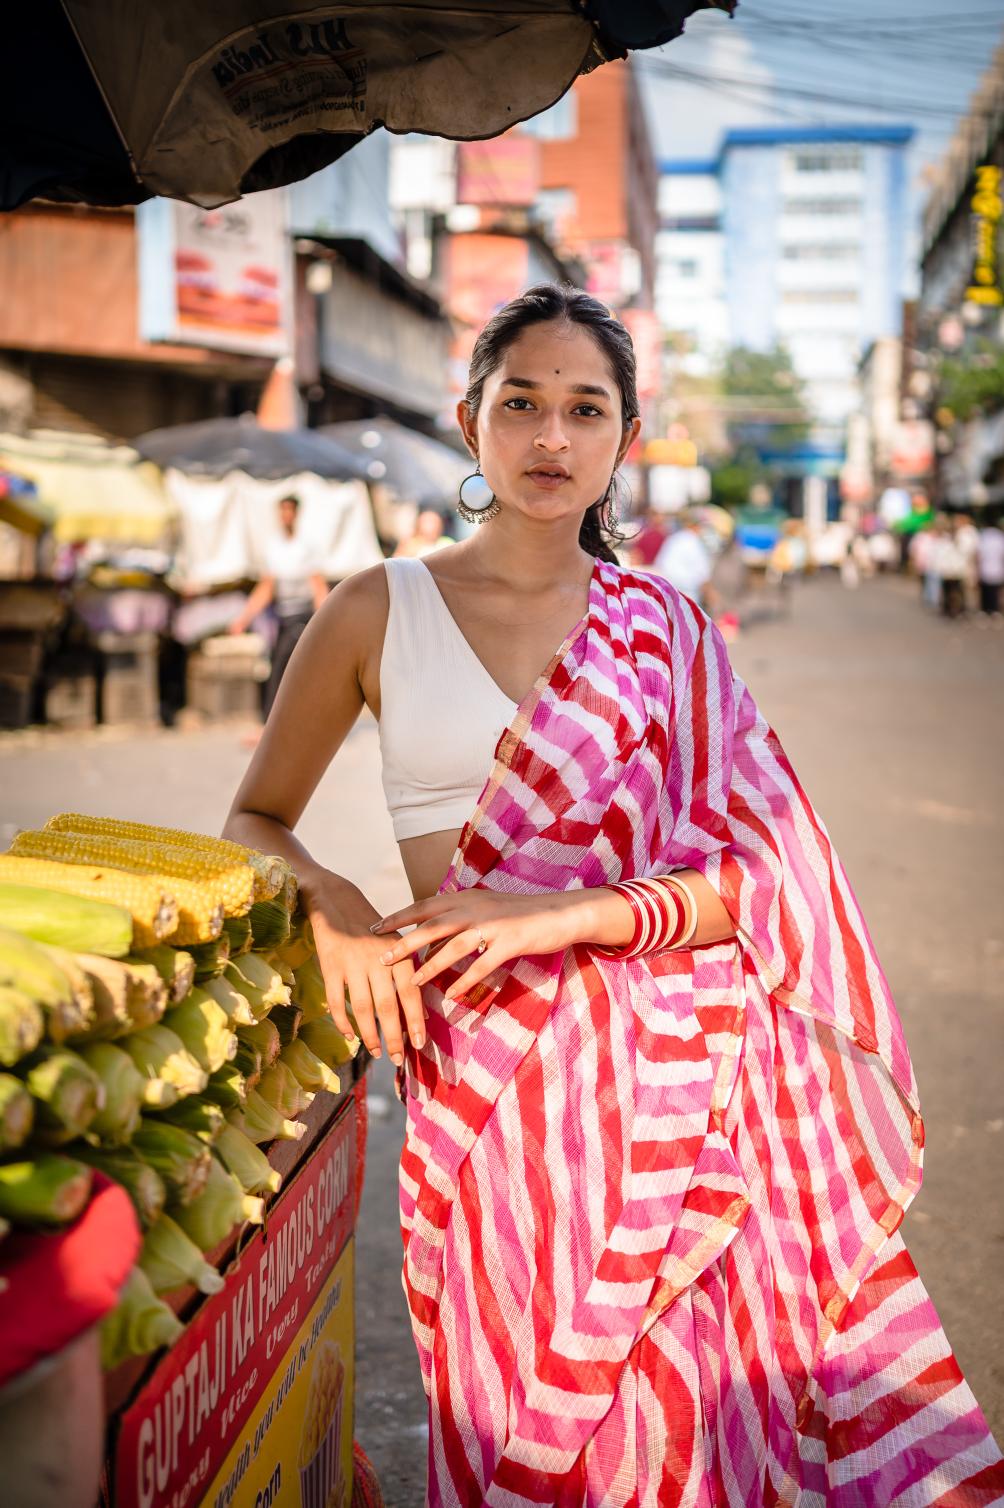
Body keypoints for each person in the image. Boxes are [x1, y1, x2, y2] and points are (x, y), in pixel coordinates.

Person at [223, 285, 1002, 1505]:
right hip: (485, 1092)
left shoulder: (668, 631)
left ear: (623, 439)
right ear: (468, 416)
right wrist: (327, 903)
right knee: (514, 1420)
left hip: (680, 1092)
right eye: (520, 402)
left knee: (685, 1439)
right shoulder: (378, 609)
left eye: (583, 410)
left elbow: (763, 881)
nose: (549, 438)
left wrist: (559, 914)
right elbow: (254, 818)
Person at [228, 494, 328, 718]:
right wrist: (243, 619)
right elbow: (267, 588)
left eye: (290, 511)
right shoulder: (274, 546)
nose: (286, 516)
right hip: (282, 614)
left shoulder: (307, 546)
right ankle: (276, 721)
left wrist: (326, 619)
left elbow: (318, 586)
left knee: (289, 664)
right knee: (277, 666)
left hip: (303, 614)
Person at [652, 510, 713, 606]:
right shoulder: (694, 542)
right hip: (687, 597)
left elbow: (659, 565)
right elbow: (702, 575)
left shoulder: (674, 538)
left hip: (666, 594)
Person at [977, 516, 1004, 618]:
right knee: (995, 591)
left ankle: (986, 609)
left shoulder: (983, 535)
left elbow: (978, 553)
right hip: (996, 568)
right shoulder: (999, 536)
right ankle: (994, 610)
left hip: (986, 567)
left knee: (986, 591)